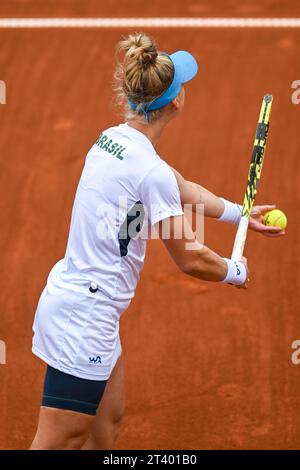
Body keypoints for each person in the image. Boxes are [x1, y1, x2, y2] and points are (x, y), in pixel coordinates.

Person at [30, 33, 284, 450]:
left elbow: (182, 189)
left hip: (84, 303)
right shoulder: (150, 173)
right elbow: (191, 259)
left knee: (106, 424)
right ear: (175, 102)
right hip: (83, 318)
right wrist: (233, 272)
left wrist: (241, 213)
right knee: (59, 441)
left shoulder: (112, 141)